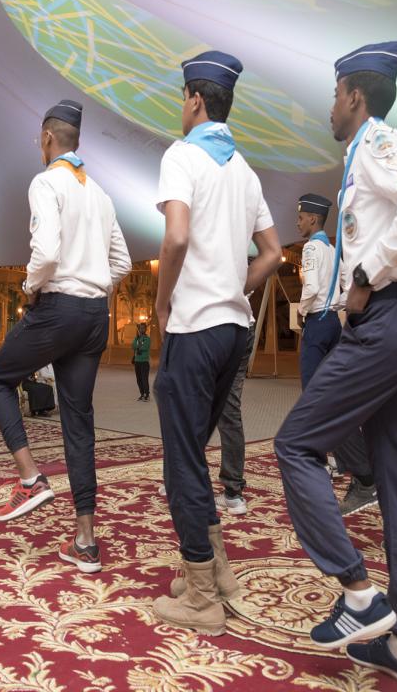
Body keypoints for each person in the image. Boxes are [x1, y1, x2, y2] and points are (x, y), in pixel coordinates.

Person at [273, 41, 397, 687]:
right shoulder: (364, 153)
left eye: (334, 95)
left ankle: (358, 593)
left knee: (295, 444)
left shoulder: (376, 141)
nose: (331, 107)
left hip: (392, 321)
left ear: (354, 94)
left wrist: (367, 272)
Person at [150, 50, 281, 636]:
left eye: (183, 97)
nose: (181, 107)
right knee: (193, 451)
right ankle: (214, 571)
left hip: (196, 327)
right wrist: (234, 284)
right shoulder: (245, 170)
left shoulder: (181, 155)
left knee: (180, 460)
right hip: (235, 329)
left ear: (196, 100)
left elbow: (176, 237)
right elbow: (272, 254)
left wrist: (162, 302)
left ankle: (202, 599)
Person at [0, 97, 131, 575]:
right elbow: (123, 263)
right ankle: (85, 542)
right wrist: (94, 286)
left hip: (58, 308)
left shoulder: (45, 182)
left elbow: (45, 254)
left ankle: (30, 478)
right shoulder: (101, 194)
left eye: (38, 139)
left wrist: (32, 287)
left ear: (48, 138)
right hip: (94, 316)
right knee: (79, 421)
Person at [296, 191, 377, 515]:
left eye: (301, 217)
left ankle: (351, 468)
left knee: (317, 398)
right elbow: (346, 284)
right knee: (332, 393)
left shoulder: (311, 248)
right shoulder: (332, 249)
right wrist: (336, 306)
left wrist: (302, 310)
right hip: (334, 322)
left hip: (317, 322)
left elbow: (311, 287)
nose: (298, 222)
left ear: (313, 218)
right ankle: (341, 460)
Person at [212, 319, 256, 516]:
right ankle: (233, 493)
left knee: (190, 401)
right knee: (229, 410)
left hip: (213, 328)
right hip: (244, 326)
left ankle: (182, 482)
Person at [132, 322, 151, 401]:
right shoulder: (136, 338)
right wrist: (138, 345)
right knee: (139, 379)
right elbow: (133, 346)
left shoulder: (147, 339)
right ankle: (142, 394)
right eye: (140, 328)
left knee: (144, 379)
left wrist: (138, 346)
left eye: (143, 328)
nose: (141, 329)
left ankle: (147, 394)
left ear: (145, 329)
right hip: (137, 361)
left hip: (144, 362)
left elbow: (145, 347)